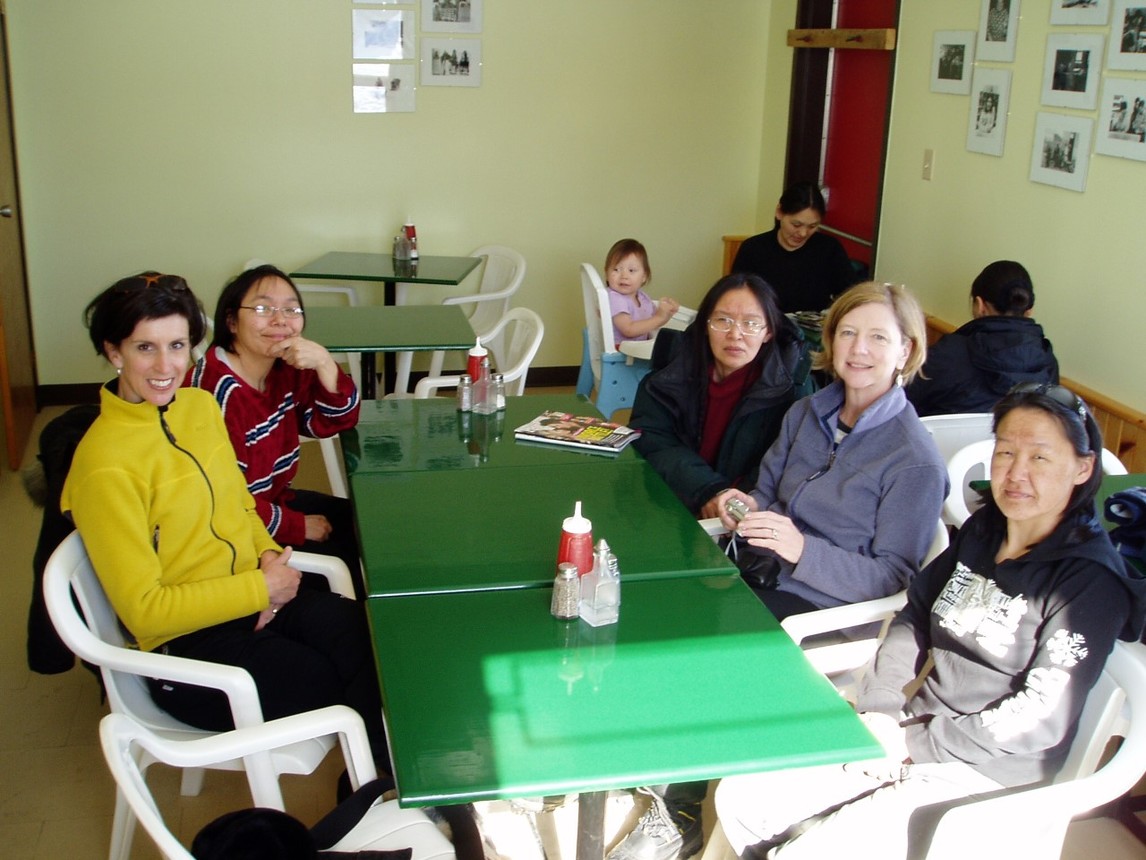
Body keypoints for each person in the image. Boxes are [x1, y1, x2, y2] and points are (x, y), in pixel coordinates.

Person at [714, 382, 1146, 860]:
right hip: (907, 731)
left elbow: (1038, 718)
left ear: (1083, 468)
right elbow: (915, 614)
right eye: (1005, 452)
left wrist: (909, 743)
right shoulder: (985, 529)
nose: (1016, 473)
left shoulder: (1087, 581)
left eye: (1040, 458)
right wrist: (878, 709)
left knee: (813, 850)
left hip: (985, 776)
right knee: (744, 797)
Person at [607, 283, 947, 860]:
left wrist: (801, 550)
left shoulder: (912, 456)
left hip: (828, 606)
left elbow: (896, 580)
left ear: (906, 351)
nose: (858, 349)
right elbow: (766, 491)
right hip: (759, 570)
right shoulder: (808, 411)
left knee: (701, 647)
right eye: (847, 333)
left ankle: (679, 807)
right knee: (640, 602)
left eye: (877, 338)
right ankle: (642, 760)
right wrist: (745, 510)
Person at [61, 272, 389, 767]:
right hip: (188, 649)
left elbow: (239, 503)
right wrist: (260, 590)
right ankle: (376, 788)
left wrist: (267, 564)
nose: (165, 365)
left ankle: (384, 786)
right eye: (144, 347)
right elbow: (146, 611)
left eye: (177, 345)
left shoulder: (195, 407)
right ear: (114, 352)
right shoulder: (105, 465)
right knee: (327, 676)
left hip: (249, 592)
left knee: (367, 635)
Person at [186, 263, 364, 597]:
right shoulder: (216, 395)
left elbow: (334, 420)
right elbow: (223, 506)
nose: (280, 320)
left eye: (290, 309)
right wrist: (296, 526)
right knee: (356, 561)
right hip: (235, 538)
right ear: (230, 321)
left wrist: (325, 363)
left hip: (273, 501)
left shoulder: (283, 368)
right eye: (263, 308)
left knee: (370, 525)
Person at [629, 272, 811, 518]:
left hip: (748, 515)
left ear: (769, 332)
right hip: (673, 499)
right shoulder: (671, 373)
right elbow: (651, 437)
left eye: (751, 323)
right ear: (705, 325)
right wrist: (708, 490)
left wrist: (731, 502)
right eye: (723, 320)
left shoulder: (791, 387)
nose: (735, 334)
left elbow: (789, 461)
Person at [906, 260, 1059, 417]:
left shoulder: (948, 354)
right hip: (1015, 441)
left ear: (980, 306)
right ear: (1029, 310)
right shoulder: (1047, 360)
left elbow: (903, 401)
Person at [730, 181, 858, 314]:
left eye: (812, 226)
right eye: (796, 225)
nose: (803, 233)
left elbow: (851, 295)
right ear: (779, 212)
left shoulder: (829, 249)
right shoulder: (753, 249)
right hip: (764, 328)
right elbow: (736, 296)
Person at [604, 238, 680, 343]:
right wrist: (659, 317)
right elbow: (628, 330)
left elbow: (652, 324)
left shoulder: (642, 298)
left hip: (636, 350)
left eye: (631, 270)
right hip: (621, 353)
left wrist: (666, 314)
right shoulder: (614, 298)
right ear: (606, 273)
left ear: (644, 276)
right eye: (616, 269)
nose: (624, 276)